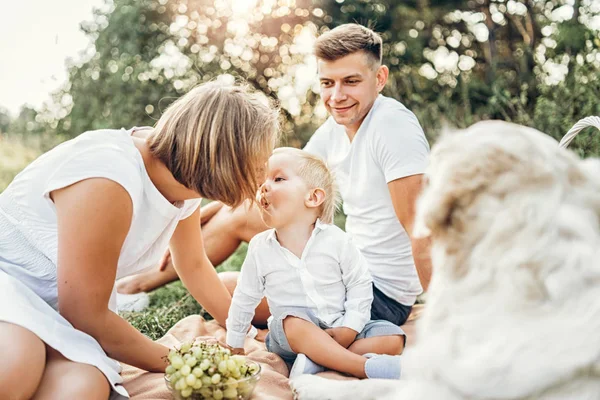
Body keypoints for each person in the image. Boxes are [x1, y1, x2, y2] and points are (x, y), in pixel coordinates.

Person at [118, 23, 432, 328]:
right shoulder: (336, 128)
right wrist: (206, 208)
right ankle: (129, 286)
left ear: (379, 78)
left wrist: (447, 316)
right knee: (237, 222)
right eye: (327, 83)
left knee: (228, 288)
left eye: (351, 81)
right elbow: (271, 174)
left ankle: (131, 288)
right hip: (345, 263)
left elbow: (422, 229)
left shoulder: (393, 128)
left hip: (375, 295)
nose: (337, 96)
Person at [0, 82, 279, 399]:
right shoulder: (109, 179)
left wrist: (240, 330)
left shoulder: (181, 180)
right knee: (18, 362)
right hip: (10, 284)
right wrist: (179, 359)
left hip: (58, 310)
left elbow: (193, 264)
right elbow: (84, 315)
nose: (264, 172)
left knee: (83, 388)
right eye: (259, 160)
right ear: (223, 156)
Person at [226, 148, 405, 379]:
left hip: (338, 327)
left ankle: (317, 362)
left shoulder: (337, 240)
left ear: (313, 197)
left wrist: (349, 327)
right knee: (293, 322)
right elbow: (245, 296)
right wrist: (234, 341)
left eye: (278, 178)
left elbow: (360, 285)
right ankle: (361, 366)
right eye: (261, 181)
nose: (263, 187)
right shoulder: (261, 248)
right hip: (290, 337)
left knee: (393, 338)